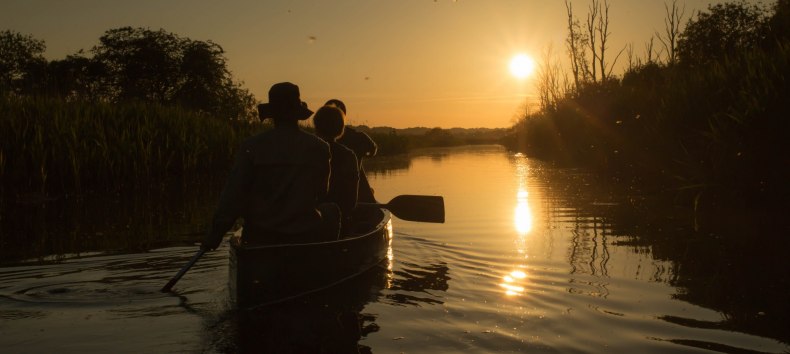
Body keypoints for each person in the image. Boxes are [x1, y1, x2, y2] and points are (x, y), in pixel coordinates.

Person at [202, 82, 337, 250]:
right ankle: (328, 260)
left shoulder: (251, 146)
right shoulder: (320, 148)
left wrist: (215, 234)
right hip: (304, 234)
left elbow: (233, 195)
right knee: (331, 211)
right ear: (297, 113)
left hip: (260, 236)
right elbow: (322, 193)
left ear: (273, 114)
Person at [312, 105, 359, 232]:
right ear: (340, 128)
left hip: (307, 219)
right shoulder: (348, 155)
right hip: (339, 220)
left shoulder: (307, 151)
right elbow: (351, 201)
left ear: (316, 126)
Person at [324, 99, 378, 203]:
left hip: (327, 196)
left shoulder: (314, 140)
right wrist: (361, 155)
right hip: (358, 192)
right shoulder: (359, 137)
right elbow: (373, 150)